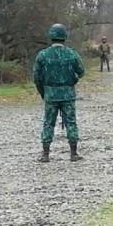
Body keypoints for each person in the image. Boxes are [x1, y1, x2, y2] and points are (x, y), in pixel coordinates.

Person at [33, 24, 85, 162]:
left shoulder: (42, 55)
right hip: (68, 93)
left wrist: (43, 92)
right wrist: (72, 80)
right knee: (71, 122)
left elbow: (36, 77)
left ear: (51, 36)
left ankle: (45, 154)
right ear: (64, 36)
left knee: (48, 123)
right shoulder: (72, 54)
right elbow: (81, 72)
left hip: (50, 94)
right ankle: (74, 153)